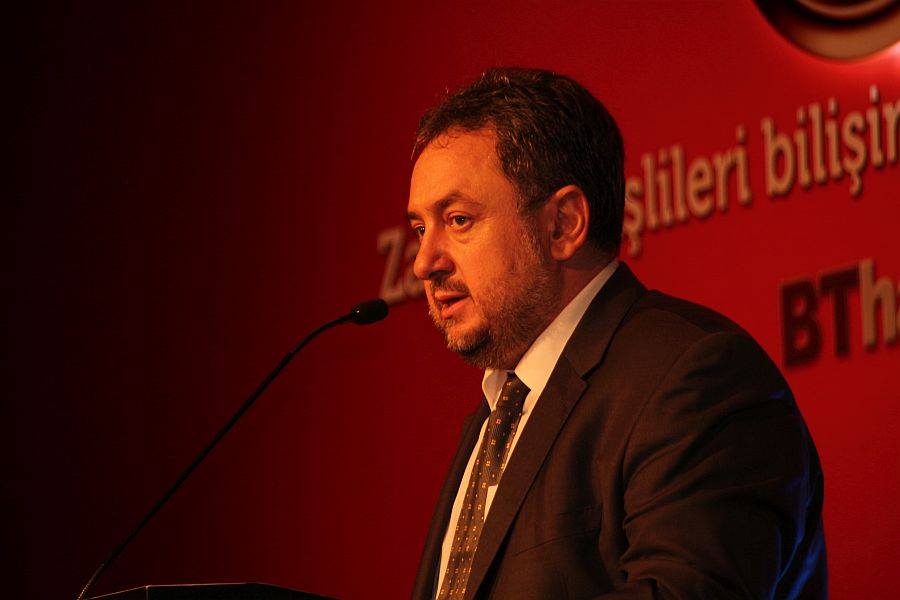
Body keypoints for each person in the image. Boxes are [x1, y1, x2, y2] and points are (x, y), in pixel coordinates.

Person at [406, 67, 826, 600]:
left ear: (563, 225)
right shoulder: (497, 415)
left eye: (459, 220)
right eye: (420, 228)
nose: (424, 262)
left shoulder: (697, 380)